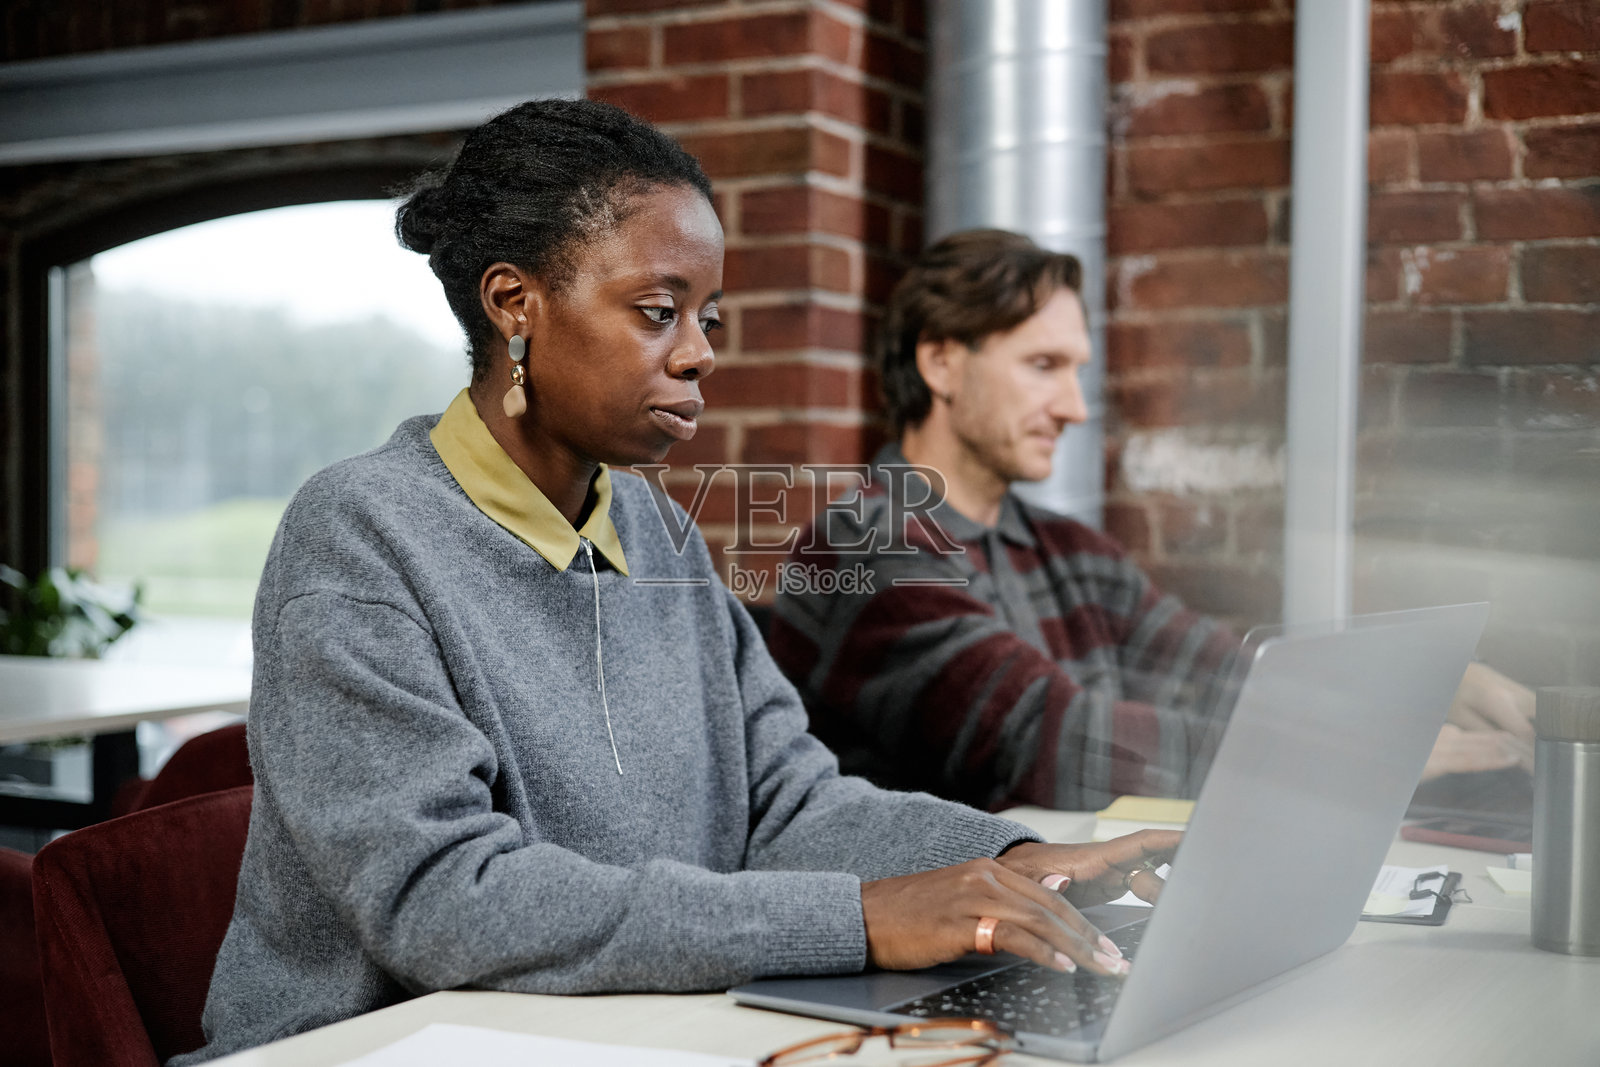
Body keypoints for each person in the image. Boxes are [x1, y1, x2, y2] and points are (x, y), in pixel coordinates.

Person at [176, 104, 1179, 1065]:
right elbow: (449, 901)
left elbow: (782, 803)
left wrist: (1003, 858)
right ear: (514, 303)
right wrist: (862, 917)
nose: (700, 352)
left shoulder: (651, 523)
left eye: (707, 316)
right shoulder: (359, 537)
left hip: (611, 1033)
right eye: (658, 313)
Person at [769, 229, 1537, 815]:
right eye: (1043, 366)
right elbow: (1051, 740)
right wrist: (1338, 754)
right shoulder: (864, 545)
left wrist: (1422, 687)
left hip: (1067, 919)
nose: (1074, 406)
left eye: (1078, 371)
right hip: (925, 963)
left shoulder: (1072, 552)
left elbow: (1222, 671)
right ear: (941, 364)